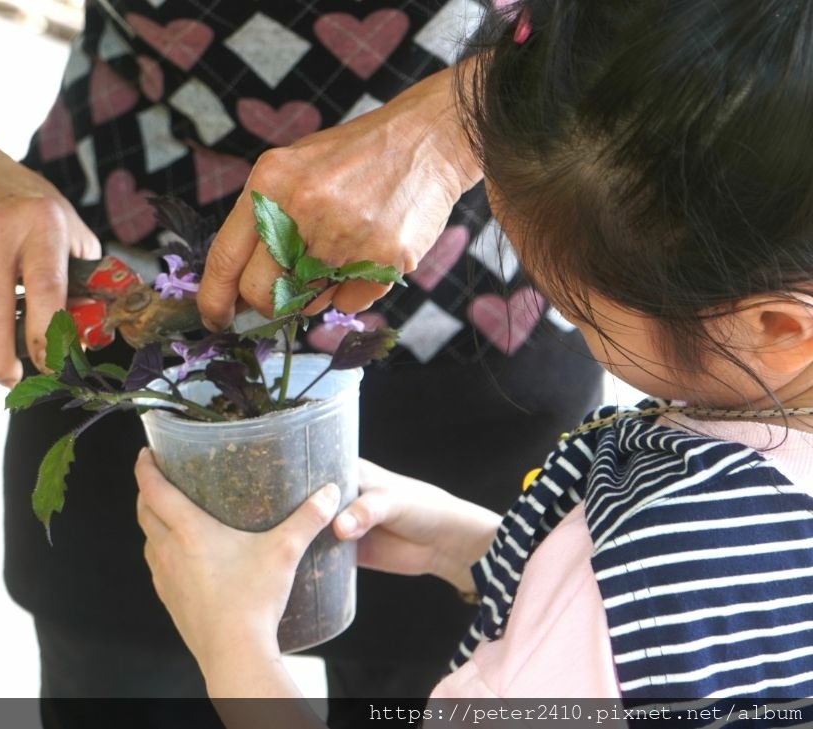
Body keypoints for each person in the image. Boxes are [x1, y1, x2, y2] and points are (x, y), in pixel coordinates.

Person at [0, 0, 602, 723]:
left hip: (478, 305)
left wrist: (449, 129)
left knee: (470, 666)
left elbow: (683, 29)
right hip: (127, 330)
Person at [136, 0, 813, 717]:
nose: (575, 330)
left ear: (775, 328)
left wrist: (235, 648)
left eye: (578, 312)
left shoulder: (637, 587)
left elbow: (611, 633)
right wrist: (477, 547)